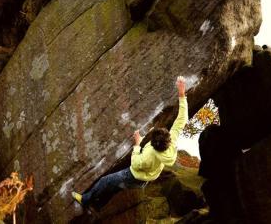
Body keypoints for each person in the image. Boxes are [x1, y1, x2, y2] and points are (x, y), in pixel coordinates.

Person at [72, 75, 188, 210]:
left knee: (106, 181)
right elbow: (182, 119)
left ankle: (85, 200)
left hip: (133, 176)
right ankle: (97, 206)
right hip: (146, 179)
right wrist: (181, 94)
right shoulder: (171, 141)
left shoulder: (149, 154)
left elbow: (136, 163)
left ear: (154, 144)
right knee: (115, 188)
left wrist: (138, 144)